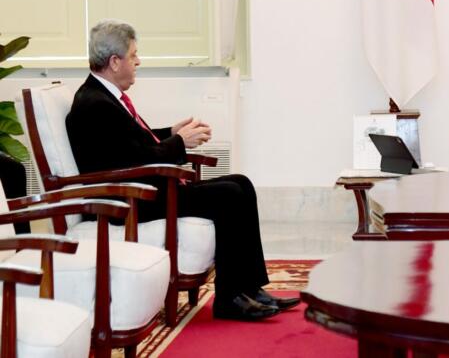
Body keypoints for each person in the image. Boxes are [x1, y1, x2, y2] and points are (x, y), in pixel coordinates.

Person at [66, 19, 299, 321]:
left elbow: (133, 146)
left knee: (242, 183)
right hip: (131, 200)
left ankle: (249, 288)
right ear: (114, 61)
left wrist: (171, 132)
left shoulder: (103, 96)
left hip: (144, 189)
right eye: (133, 55)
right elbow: (135, 162)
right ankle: (228, 299)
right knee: (229, 194)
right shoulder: (94, 105)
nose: (138, 61)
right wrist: (180, 142)